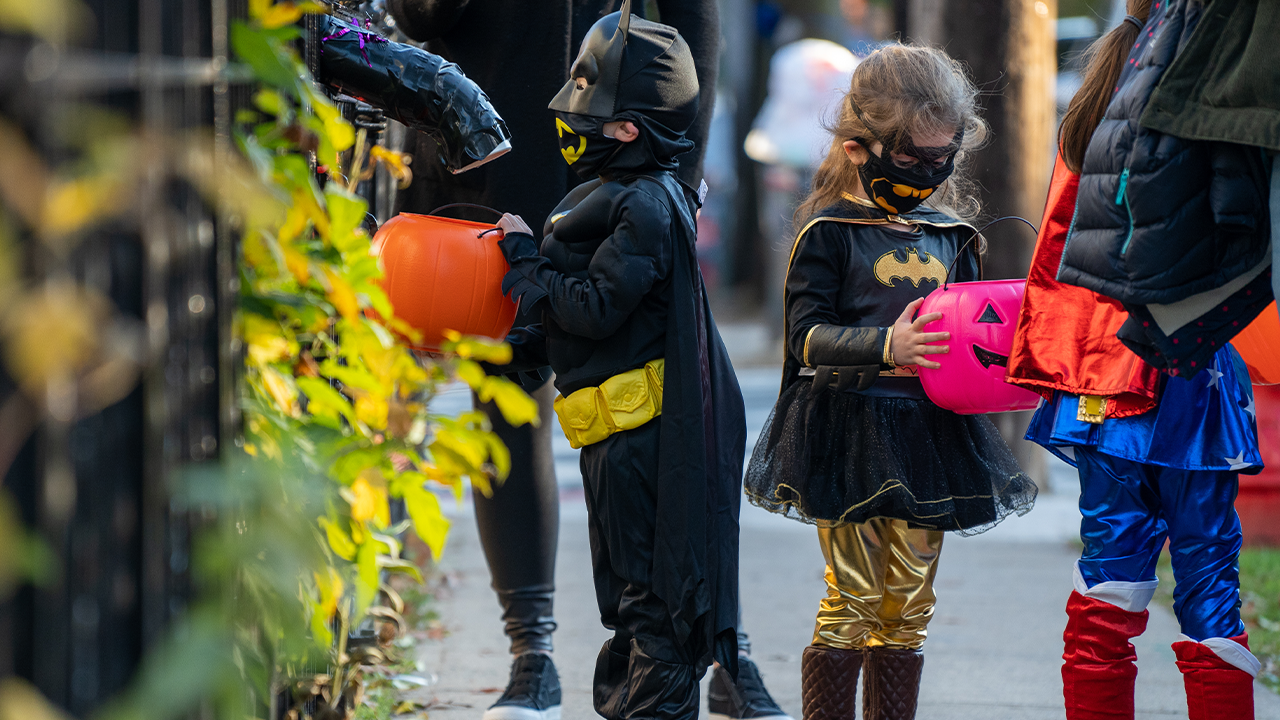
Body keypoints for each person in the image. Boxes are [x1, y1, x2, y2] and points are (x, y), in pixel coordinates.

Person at [383, 1, 791, 718]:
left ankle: (724, 648)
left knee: (673, 417)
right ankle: (531, 655)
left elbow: (695, 23)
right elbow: (423, 16)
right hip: (483, 154)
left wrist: (678, 178)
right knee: (505, 400)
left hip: (624, 163)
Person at [742, 45, 1037, 720]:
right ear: (857, 147)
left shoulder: (952, 236)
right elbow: (805, 337)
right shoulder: (829, 231)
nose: (929, 174)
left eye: (944, 158)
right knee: (851, 598)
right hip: (851, 426)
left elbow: (976, 335)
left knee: (910, 603)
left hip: (933, 435)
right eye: (912, 159)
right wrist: (886, 345)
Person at [1007, 4, 1265, 719]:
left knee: (1109, 577)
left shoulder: (1093, 113)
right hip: (1193, 375)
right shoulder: (1199, 95)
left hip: (1102, 376)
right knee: (1209, 579)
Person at [490, 4, 747, 718]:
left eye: (591, 115)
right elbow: (589, 329)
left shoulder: (646, 203)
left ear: (628, 129)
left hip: (644, 446)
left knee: (652, 606)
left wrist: (524, 263)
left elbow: (595, 307)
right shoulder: (613, 196)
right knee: (626, 601)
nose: (574, 125)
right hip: (611, 439)